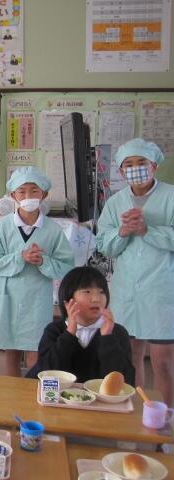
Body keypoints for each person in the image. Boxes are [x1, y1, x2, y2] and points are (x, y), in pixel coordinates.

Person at [96, 138, 174, 406]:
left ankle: (165, 418)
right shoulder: (115, 203)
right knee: (130, 358)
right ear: (121, 171)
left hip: (162, 291)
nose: (135, 168)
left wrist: (147, 230)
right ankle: (135, 413)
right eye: (129, 164)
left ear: (154, 165)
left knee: (163, 363)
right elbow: (104, 245)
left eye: (142, 162)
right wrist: (122, 232)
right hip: (127, 291)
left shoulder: (170, 196)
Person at [0, 167, 74, 377]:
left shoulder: (53, 230)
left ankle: (34, 394)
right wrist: (20, 257)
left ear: (44, 194)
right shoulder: (2, 227)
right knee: (11, 351)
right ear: (13, 195)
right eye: (22, 191)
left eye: (34, 191)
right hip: (9, 297)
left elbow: (66, 265)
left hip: (37, 299)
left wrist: (43, 260)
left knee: (37, 350)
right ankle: (14, 392)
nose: (28, 196)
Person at [27, 266, 135, 385]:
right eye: (87, 291)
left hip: (100, 396)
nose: (96, 299)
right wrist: (69, 334)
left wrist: (107, 339)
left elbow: (125, 381)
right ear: (68, 299)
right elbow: (45, 375)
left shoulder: (117, 332)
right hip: (60, 395)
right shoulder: (54, 330)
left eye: (101, 292)